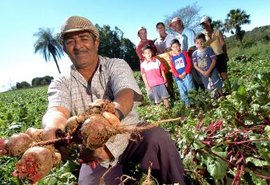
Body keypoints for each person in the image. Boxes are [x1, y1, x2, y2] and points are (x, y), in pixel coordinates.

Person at [41, 16, 185, 185]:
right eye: (70, 41)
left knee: (158, 137)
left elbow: (125, 93)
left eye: (84, 39)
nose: (78, 46)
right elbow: (56, 110)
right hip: (94, 152)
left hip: (130, 135)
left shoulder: (115, 65)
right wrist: (53, 129)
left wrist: (107, 121)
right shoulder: (61, 81)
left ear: (96, 43)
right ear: (64, 48)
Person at [169, 17, 204, 90]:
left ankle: (206, 91)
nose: (174, 26)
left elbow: (192, 47)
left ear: (181, 23)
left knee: (198, 77)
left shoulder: (188, 32)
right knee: (193, 80)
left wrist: (184, 56)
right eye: (173, 25)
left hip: (192, 58)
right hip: (186, 61)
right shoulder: (179, 36)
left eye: (176, 24)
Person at [200, 16, 231, 92]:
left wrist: (225, 54)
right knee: (214, 77)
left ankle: (229, 91)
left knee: (224, 75)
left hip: (220, 56)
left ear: (209, 22)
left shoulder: (217, 32)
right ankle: (220, 93)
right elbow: (203, 46)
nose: (204, 25)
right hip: (211, 59)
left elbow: (223, 43)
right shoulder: (203, 35)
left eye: (205, 23)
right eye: (203, 24)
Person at [192, 33, 223, 99]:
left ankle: (221, 96)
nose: (200, 44)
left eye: (202, 42)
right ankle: (214, 99)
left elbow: (214, 60)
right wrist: (203, 72)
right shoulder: (194, 54)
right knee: (208, 87)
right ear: (195, 44)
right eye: (197, 43)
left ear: (205, 41)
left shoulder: (209, 49)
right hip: (203, 74)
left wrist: (209, 71)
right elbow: (195, 65)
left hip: (212, 71)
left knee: (217, 84)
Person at [140, 45, 170, 109]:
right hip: (152, 85)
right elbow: (144, 76)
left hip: (161, 82)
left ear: (152, 52)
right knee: (157, 101)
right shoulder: (143, 65)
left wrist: (165, 80)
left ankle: (168, 110)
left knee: (165, 97)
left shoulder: (157, 61)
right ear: (143, 55)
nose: (148, 54)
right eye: (146, 53)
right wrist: (147, 85)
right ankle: (160, 112)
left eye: (149, 52)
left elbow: (162, 71)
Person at [169, 39, 194, 106]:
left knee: (190, 89)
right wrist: (178, 75)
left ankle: (194, 103)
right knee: (182, 91)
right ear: (171, 48)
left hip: (186, 75)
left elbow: (189, 63)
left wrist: (185, 72)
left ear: (180, 45)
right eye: (174, 47)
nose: (176, 48)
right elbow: (173, 68)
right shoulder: (171, 58)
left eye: (177, 46)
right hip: (178, 78)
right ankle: (187, 105)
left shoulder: (184, 53)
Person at [154, 22, 176, 100]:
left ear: (165, 28)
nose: (160, 29)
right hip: (165, 64)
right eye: (158, 28)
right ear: (157, 30)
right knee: (168, 81)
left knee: (178, 78)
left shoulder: (171, 36)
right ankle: (173, 98)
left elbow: (176, 47)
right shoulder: (156, 42)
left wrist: (170, 48)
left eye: (162, 27)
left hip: (174, 61)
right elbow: (158, 53)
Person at [136, 26, 157, 102]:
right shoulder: (139, 46)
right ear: (138, 35)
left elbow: (156, 52)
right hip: (147, 69)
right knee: (149, 85)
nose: (144, 34)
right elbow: (143, 58)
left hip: (155, 66)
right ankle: (153, 102)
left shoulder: (151, 42)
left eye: (145, 32)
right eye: (141, 33)